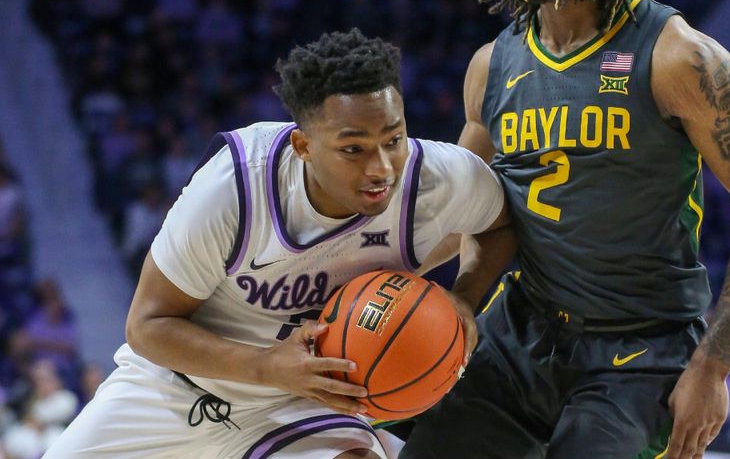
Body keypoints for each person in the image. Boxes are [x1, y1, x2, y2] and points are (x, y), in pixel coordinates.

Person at [400, 0, 730, 459]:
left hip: (641, 354)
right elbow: (461, 209)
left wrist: (714, 365)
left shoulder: (678, 57)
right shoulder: (493, 65)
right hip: (523, 334)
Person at [43, 28, 506, 459]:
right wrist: (266, 366)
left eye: (394, 138)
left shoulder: (435, 180)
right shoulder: (235, 186)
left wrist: (464, 297)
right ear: (303, 146)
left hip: (304, 403)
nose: (381, 167)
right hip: (173, 388)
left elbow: (501, 224)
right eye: (353, 148)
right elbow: (147, 325)